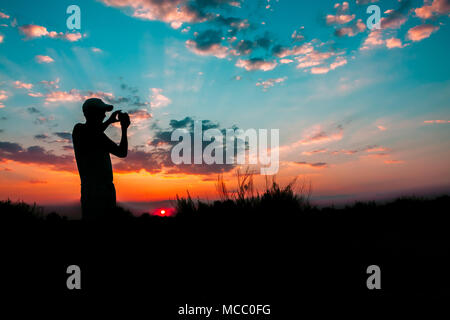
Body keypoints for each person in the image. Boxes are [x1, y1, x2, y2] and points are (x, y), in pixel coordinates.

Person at [72, 98, 130, 220]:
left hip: (106, 190)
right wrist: (110, 122)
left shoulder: (99, 136)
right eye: (101, 112)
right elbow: (91, 135)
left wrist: (124, 129)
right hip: (93, 191)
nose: (104, 115)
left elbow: (122, 152)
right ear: (91, 113)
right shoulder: (79, 130)